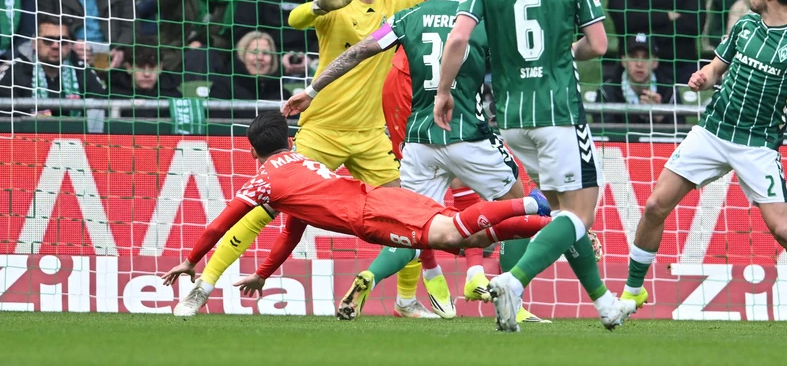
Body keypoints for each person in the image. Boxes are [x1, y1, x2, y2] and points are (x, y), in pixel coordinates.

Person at [171, 0, 463, 320]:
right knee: (262, 208)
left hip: (370, 135)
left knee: (409, 212)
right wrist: (316, 4)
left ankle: (405, 300)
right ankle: (202, 288)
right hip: (321, 131)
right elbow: (296, 19)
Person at [283, 0, 543, 320]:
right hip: (467, 131)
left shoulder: (409, 17)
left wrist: (310, 90)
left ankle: (371, 276)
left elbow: (356, 52)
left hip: (418, 140)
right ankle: (512, 304)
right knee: (517, 212)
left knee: (414, 228)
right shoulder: (480, 19)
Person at [619, 0, 787, 325]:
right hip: (713, 131)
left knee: (783, 230)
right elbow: (717, 67)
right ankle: (634, 288)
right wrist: (703, 76)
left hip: (758, 144)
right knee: (654, 206)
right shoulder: (745, 26)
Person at [435, 0, 633, 333]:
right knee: (579, 217)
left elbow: (460, 38)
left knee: (560, 211)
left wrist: (443, 91)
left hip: (511, 117)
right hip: (558, 111)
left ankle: (604, 303)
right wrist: (567, 51)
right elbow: (599, 45)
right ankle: (512, 279)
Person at [161, 112, 552, 313]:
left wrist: (190, 260)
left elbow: (219, 224)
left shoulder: (263, 183)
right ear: (291, 141)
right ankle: (556, 225)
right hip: (380, 199)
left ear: (251, 152)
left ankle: (533, 204)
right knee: (476, 237)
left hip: (372, 216)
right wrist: (263, 275)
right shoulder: (303, 166)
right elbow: (292, 231)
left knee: (452, 234)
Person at [599, 33, 674, 126]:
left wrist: (660, 116)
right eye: (633, 57)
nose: (639, 64)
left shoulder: (670, 91)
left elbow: (681, 132)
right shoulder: (606, 92)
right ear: (623, 61)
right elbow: (603, 134)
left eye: (646, 57)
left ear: (655, 62)